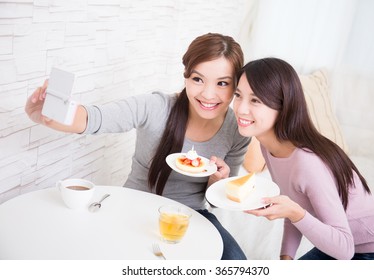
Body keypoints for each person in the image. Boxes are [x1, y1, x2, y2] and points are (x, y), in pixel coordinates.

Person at [25, 33, 250, 260]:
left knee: (238, 263)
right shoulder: (156, 107)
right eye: (198, 79)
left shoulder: (238, 131)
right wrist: (53, 115)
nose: (208, 94)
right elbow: (95, 118)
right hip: (134, 205)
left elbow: (217, 200)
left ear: (236, 86)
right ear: (186, 77)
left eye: (222, 83)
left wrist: (217, 183)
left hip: (190, 216)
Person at [232, 57, 374, 260]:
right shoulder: (268, 147)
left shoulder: (307, 163)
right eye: (238, 95)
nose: (240, 108)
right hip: (337, 244)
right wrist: (286, 258)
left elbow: (344, 249)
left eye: (255, 100)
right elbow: (293, 205)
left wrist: (296, 213)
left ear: (283, 107)